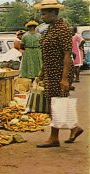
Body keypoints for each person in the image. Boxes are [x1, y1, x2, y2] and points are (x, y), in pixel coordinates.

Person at [34, 0, 83, 148]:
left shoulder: (62, 29)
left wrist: (64, 78)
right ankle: (74, 128)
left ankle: (54, 137)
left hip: (59, 72)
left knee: (55, 104)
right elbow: (47, 53)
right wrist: (42, 73)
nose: (42, 16)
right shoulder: (50, 29)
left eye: (44, 13)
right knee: (57, 103)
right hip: (51, 71)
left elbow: (68, 54)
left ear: (54, 13)